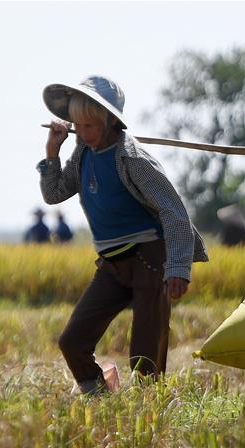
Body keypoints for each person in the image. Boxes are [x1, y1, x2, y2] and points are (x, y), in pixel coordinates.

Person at [37, 75, 208, 395]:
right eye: (79, 125)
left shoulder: (133, 159)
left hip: (149, 259)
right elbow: (55, 193)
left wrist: (178, 269)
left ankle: (149, 409)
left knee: (145, 355)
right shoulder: (83, 155)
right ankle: (100, 397)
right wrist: (52, 153)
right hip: (111, 265)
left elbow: (175, 213)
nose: (83, 133)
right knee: (72, 342)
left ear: (111, 122)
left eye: (90, 126)